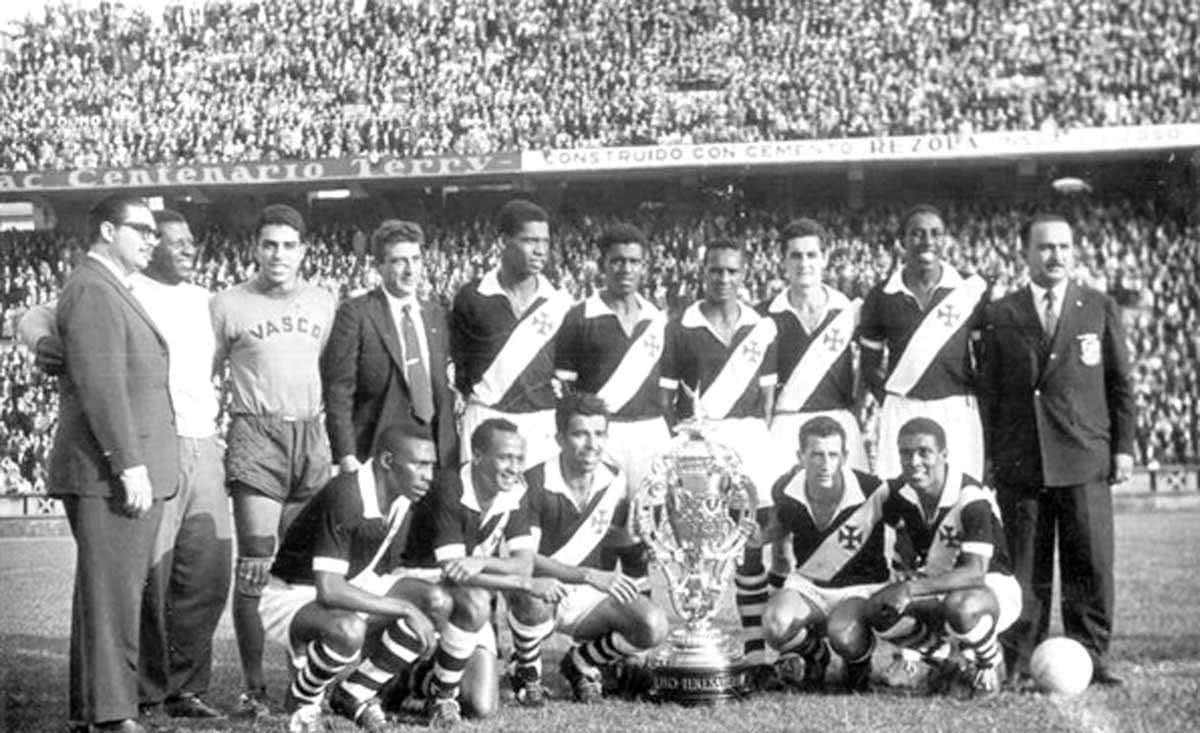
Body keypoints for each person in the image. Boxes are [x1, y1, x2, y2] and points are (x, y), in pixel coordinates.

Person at [18, 209, 232, 720]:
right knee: (123, 588)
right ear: (112, 233)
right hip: (132, 454)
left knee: (178, 580)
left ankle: (142, 698)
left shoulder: (195, 298)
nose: (171, 245)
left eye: (182, 239)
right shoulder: (107, 287)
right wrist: (43, 341)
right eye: (153, 233)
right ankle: (122, 703)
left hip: (182, 444)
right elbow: (82, 363)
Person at [980, 212, 1135, 687]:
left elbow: (1120, 383)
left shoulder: (1098, 306)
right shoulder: (1002, 312)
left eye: (1064, 247)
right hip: (1022, 459)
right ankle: (1020, 659)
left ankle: (1093, 654)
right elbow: (990, 392)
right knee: (1025, 568)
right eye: (1045, 247)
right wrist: (991, 454)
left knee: (1089, 561)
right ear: (1026, 253)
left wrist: (1124, 447)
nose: (1056, 256)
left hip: (1084, 454)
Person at [48, 194, 179, 732]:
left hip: (112, 469)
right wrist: (128, 463)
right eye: (141, 229)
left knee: (105, 595)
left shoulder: (102, 287)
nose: (153, 239)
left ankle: (94, 710)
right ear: (107, 230)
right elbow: (102, 386)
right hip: (110, 473)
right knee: (113, 598)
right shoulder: (94, 289)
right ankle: (112, 714)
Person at [210, 204, 337, 716]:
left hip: (311, 434)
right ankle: (252, 684)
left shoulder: (324, 301)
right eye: (269, 244)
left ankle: (304, 683)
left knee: (307, 567)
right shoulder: (227, 304)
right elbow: (204, 371)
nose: (278, 254)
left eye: (288, 245)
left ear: (303, 250)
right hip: (256, 431)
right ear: (255, 248)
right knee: (257, 564)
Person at [258, 425, 445, 733]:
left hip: (352, 584)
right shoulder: (347, 493)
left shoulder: (401, 496)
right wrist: (405, 609)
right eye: (420, 464)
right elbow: (329, 590)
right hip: (294, 594)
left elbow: (380, 572)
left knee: (435, 601)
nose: (428, 475)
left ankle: (353, 694)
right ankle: (304, 699)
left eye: (431, 466)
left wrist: (418, 603)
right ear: (387, 460)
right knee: (348, 629)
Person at [827, 418, 1021, 697]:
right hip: (937, 588)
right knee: (878, 608)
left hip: (989, 591)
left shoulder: (971, 497)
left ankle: (988, 662)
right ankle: (945, 660)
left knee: (961, 607)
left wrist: (908, 588)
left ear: (944, 455)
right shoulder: (901, 493)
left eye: (924, 452)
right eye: (905, 453)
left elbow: (974, 572)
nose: (914, 461)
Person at [658, 239, 779, 674]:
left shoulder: (762, 327)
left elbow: (768, 397)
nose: (723, 279)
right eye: (715, 271)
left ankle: (755, 652)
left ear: (745, 274)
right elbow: (665, 399)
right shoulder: (681, 326)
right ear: (702, 273)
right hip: (701, 449)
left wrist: (750, 444)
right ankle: (698, 635)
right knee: (702, 550)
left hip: (748, 442)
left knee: (751, 543)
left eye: (731, 271)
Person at [505, 393, 668, 705]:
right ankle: (526, 671)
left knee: (653, 626)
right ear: (560, 438)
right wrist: (590, 575)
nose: (592, 444)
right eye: (580, 434)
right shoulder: (533, 483)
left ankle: (581, 662)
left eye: (599, 433)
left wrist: (649, 542)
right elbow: (526, 561)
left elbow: (614, 537)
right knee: (531, 597)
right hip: (544, 588)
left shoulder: (614, 479)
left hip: (588, 597)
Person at [409, 418, 561, 728]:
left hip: (466, 592)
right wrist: (523, 583)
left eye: (519, 459)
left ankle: (418, 678)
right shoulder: (450, 486)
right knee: (477, 600)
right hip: (420, 584)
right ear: (477, 456)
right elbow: (452, 570)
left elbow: (524, 562)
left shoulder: (516, 489)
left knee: (482, 706)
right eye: (505, 457)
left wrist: (481, 562)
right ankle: (442, 699)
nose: (514, 467)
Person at [760, 416, 889, 692]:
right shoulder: (785, 488)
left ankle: (859, 663)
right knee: (775, 623)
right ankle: (816, 656)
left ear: (845, 456)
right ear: (801, 456)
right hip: (810, 587)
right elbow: (777, 532)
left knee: (844, 634)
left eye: (833, 455)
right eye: (816, 455)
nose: (825, 464)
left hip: (860, 589)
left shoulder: (873, 489)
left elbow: (909, 534)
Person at [858, 205, 986, 478]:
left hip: (956, 410)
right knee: (901, 499)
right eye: (917, 234)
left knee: (960, 498)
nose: (927, 241)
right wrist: (896, 399)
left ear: (945, 240)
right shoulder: (880, 296)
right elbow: (869, 367)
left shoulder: (971, 290)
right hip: (902, 409)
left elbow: (985, 360)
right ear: (902, 242)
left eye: (935, 233)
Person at [322, 220, 458, 474]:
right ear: (379, 266)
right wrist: (346, 455)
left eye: (416, 259)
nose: (410, 270)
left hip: (435, 450)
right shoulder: (357, 313)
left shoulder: (436, 315)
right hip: (379, 450)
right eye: (399, 261)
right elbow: (339, 390)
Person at [450, 200, 571, 469]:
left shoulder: (560, 303)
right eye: (529, 240)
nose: (540, 251)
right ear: (504, 241)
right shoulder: (471, 297)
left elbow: (568, 369)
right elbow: (458, 365)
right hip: (485, 419)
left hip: (541, 425)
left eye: (545, 242)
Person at [554, 223, 671, 496]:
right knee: (600, 522)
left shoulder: (657, 319)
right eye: (617, 261)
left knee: (652, 522)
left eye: (634, 262)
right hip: (603, 434)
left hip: (650, 433)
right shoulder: (579, 317)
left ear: (644, 266)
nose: (626, 269)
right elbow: (565, 390)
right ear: (602, 264)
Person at [762, 218, 867, 475]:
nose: (804, 263)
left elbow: (869, 364)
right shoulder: (765, 315)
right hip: (785, 426)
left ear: (825, 257)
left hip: (839, 424)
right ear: (783, 259)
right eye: (796, 255)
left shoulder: (850, 311)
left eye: (812, 255)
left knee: (852, 509)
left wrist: (857, 409)